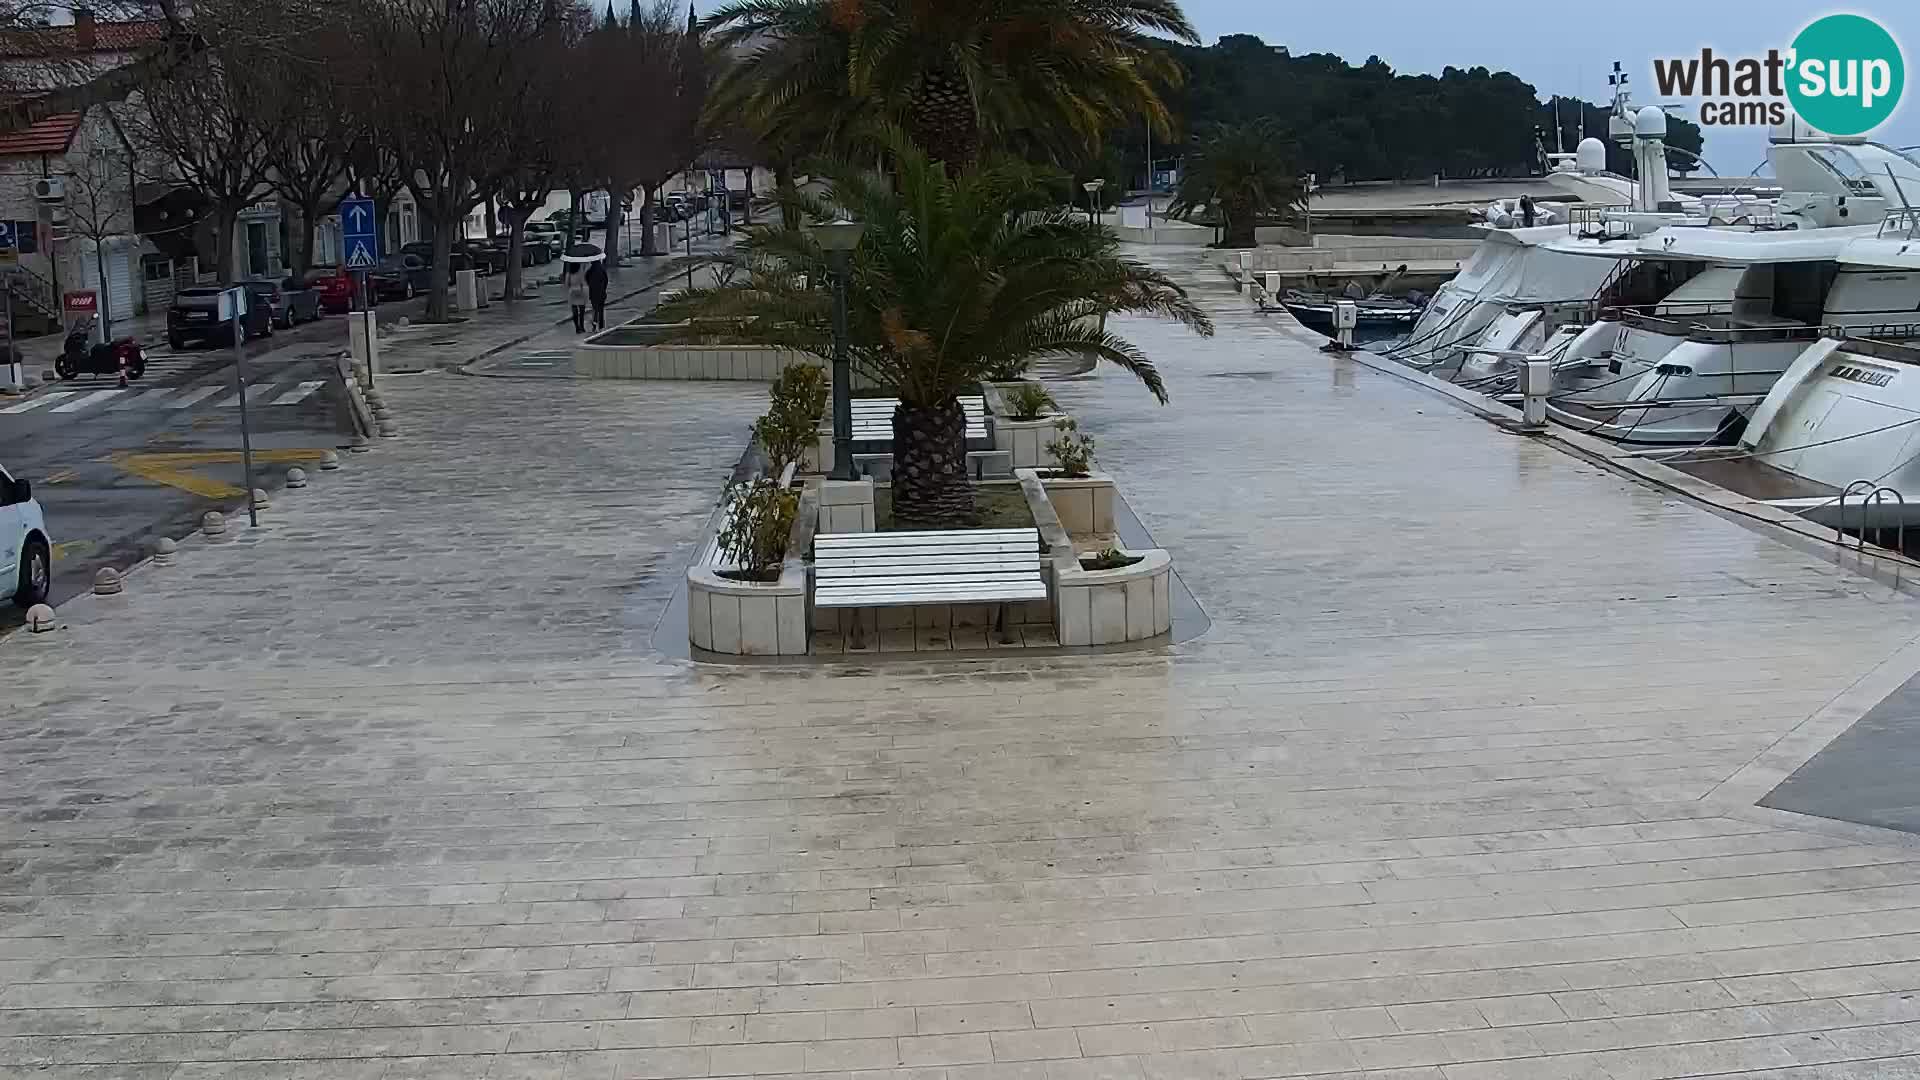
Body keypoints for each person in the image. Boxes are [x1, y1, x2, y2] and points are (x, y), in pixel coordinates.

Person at [585, 259, 609, 331]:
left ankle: (595, 323)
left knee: (595, 308)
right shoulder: (602, 269)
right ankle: (601, 326)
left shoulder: (590, 270)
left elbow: (586, 278)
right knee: (601, 310)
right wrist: (603, 288)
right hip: (601, 293)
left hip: (593, 293)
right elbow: (606, 280)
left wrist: (591, 285)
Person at [565, 263, 589, 333]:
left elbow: (567, 284)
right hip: (580, 291)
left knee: (574, 310)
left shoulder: (568, 274)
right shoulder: (580, 273)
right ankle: (582, 326)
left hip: (572, 292)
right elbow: (583, 282)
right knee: (582, 310)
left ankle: (577, 327)